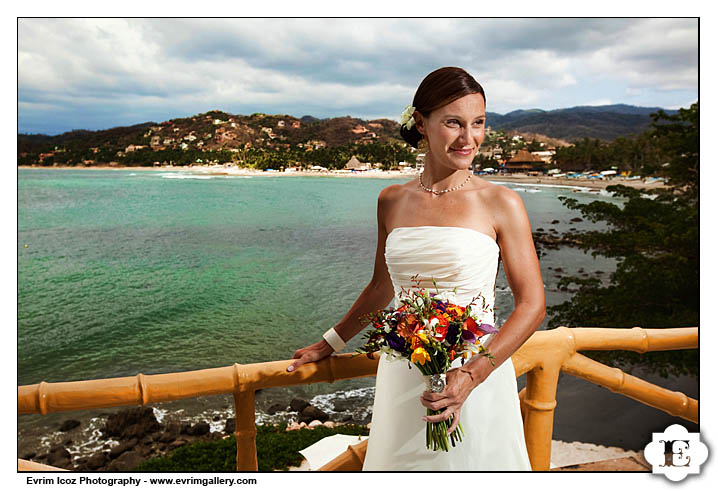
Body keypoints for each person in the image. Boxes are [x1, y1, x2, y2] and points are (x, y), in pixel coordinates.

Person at [286, 67, 544, 471]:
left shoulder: (502, 202)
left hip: (472, 375)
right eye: (453, 123)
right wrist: (329, 343)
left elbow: (532, 305)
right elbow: (380, 287)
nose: (468, 138)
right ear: (421, 123)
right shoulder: (391, 199)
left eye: (478, 123)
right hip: (403, 371)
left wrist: (471, 377)